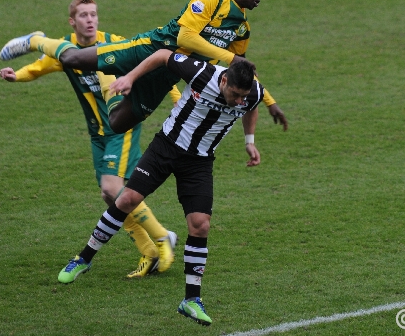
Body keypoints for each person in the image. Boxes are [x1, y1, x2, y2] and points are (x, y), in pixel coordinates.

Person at [56, 49, 287, 326]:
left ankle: (191, 300)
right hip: (165, 148)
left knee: (200, 225)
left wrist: (249, 140)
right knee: (128, 198)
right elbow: (164, 55)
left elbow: (252, 106)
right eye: (235, 95)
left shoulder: (252, 92)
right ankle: (83, 258)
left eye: (242, 96)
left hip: (199, 162)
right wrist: (129, 77)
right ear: (224, 81)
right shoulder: (202, 74)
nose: (239, 100)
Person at [0, 0, 180, 278]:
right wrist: (16, 76)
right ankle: (149, 251)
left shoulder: (115, 43)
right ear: (73, 22)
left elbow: (154, 64)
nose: (90, 20)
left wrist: (176, 97)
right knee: (113, 197)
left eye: (93, 14)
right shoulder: (67, 51)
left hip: (123, 126)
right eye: (83, 15)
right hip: (98, 134)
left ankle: (161, 237)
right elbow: (39, 67)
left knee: (111, 188)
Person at [0, 0, 287, 134]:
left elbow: (242, 71)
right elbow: (186, 39)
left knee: (116, 124)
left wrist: (270, 102)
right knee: (74, 58)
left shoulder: (241, 27)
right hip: (147, 49)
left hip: (165, 75)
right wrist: (230, 56)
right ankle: (36, 39)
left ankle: (111, 81)